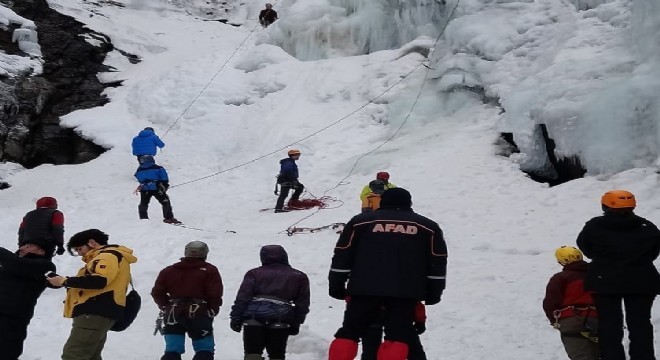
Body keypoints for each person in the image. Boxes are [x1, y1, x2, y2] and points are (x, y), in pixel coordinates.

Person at [328, 188, 447, 360]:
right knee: (397, 336)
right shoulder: (428, 227)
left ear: (382, 201)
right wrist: (434, 292)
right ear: (409, 203)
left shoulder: (360, 222)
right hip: (405, 292)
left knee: (349, 332)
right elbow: (438, 262)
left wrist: (336, 285)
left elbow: (342, 255)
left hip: (363, 289)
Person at [576, 190, 660, 360]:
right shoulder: (647, 227)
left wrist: (603, 260)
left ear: (605, 206)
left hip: (604, 281)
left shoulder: (594, 226)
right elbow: (654, 252)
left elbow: (585, 247)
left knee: (609, 324)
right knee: (640, 323)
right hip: (642, 281)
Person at [47, 229, 137, 360]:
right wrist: (62, 283)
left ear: (92, 243)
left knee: (74, 354)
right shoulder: (110, 257)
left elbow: (100, 280)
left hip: (94, 312)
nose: (79, 253)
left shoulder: (106, 256)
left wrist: (64, 281)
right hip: (99, 312)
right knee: (91, 355)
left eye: (79, 248)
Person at [229, 245, 310, 360]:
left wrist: (235, 317)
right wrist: (296, 322)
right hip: (281, 317)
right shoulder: (299, 276)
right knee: (277, 355)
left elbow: (243, 298)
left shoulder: (254, 273)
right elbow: (302, 303)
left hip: (254, 316)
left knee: (252, 354)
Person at [151, 241, 223, 360]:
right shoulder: (210, 270)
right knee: (204, 349)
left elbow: (157, 292)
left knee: (172, 349)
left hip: (173, 313)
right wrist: (212, 309)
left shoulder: (169, 271)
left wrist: (165, 306)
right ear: (204, 253)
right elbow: (215, 293)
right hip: (199, 313)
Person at [0, 242, 56, 360]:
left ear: (41, 251)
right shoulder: (9, 266)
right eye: (23, 246)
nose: (22, 248)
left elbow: (19, 265)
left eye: (28, 246)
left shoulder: (44, 266)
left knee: (5, 352)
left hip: (12, 318)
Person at [543, 246, 599, 360]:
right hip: (597, 318)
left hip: (571, 320)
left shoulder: (560, 278)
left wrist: (554, 321)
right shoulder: (597, 274)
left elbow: (550, 302)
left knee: (581, 356)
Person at [359, 301, 427, 360]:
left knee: (370, 350)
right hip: (399, 310)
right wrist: (420, 319)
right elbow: (414, 293)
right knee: (410, 347)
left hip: (370, 308)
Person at [134, 155, 181, 224]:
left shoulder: (139, 170)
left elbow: (138, 178)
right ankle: (168, 218)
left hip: (145, 188)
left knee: (143, 203)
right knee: (165, 201)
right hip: (157, 187)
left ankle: (143, 219)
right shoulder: (158, 168)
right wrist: (164, 185)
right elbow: (164, 178)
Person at [274, 149, 304, 213]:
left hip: (287, 180)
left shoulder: (290, 162)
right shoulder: (289, 163)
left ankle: (293, 202)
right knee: (284, 194)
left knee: (300, 187)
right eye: (297, 155)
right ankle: (279, 209)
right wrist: (292, 180)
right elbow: (288, 171)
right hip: (286, 180)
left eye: (299, 155)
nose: (298, 156)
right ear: (292, 156)